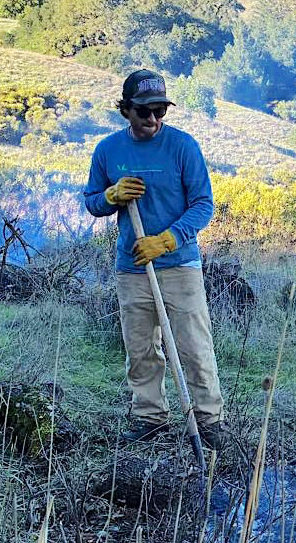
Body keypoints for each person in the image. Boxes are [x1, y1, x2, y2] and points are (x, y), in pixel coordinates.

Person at [83, 69, 225, 446]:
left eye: (160, 110)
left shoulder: (183, 147)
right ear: (126, 110)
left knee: (194, 347)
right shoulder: (108, 150)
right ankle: (150, 418)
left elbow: (202, 205)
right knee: (141, 349)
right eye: (144, 112)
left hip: (178, 264)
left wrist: (167, 240)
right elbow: (91, 202)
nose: (153, 119)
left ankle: (209, 422)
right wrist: (111, 196)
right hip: (132, 267)